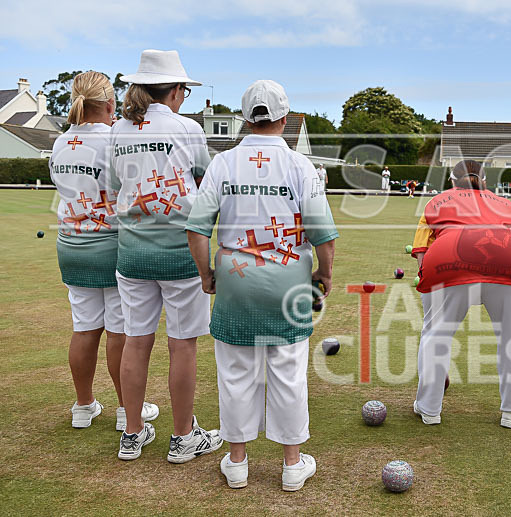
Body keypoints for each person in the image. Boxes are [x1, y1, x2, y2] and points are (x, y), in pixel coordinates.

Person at [186, 80, 338, 491]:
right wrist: (324, 275)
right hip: (288, 283)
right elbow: (323, 234)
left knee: (235, 373)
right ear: (285, 120)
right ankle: (292, 465)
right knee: (288, 372)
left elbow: (197, 230)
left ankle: (236, 463)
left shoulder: (223, 164)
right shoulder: (300, 166)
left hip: (235, 282)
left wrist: (206, 275)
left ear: (245, 119)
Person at [111, 49, 221, 462]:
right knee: (183, 345)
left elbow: (114, 183)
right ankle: (182, 438)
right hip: (180, 252)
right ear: (176, 90)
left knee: (136, 342)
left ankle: (133, 433)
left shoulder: (118, 130)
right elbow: (204, 182)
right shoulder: (188, 129)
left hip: (132, 252)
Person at [50, 71, 159, 430]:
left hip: (71, 243)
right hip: (110, 244)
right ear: (110, 104)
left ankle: (83, 406)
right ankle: (128, 411)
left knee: (84, 329)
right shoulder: (113, 139)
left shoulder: (60, 142)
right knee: (118, 333)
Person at [410, 160, 511, 428]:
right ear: (486, 182)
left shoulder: (435, 203)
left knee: (436, 333)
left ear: (451, 181)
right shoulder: (509, 205)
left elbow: (422, 256)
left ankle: (429, 408)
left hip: (448, 258)